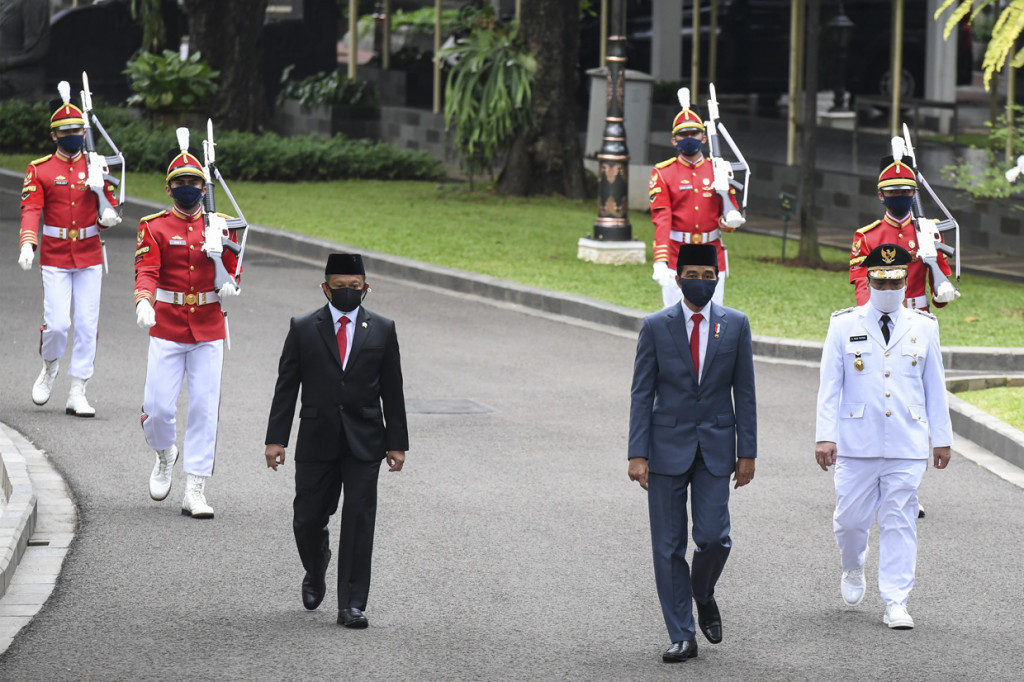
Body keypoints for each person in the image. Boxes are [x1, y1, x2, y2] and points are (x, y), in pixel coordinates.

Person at [628, 243, 757, 662]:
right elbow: (641, 393)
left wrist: (747, 452)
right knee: (667, 546)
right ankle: (682, 634)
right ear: (678, 277)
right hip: (665, 448)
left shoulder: (735, 325)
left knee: (713, 537)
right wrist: (637, 453)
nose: (700, 282)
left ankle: (702, 591)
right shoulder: (655, 326)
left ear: (717, 278)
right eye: (693, 275)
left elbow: (746, 393)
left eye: (708, 275)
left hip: (717, 448)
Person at [264, 253, 408, 629]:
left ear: (366, 289)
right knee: (306, 519)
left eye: (355, 288)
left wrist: (397, 443)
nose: (347, 293)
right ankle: (316, 566)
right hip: (316, 439)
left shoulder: (382, 329)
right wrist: (276, 439)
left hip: (365, 440)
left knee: (359, 520)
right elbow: (286, 387)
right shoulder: (302, 328)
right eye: (340, 287)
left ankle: (353, 605)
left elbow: (393, 390)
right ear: (325, 288)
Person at [815, 243, 952, 630]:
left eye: (896, 281)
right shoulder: (844, 324)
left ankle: (896, 600)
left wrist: (941, 438)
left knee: (899, 519)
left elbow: (934, 386)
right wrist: (825, 436)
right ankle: (853, 564)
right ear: (868, 280)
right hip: (856, 442)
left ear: (905, 280)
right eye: (881, 280)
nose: (889, 288)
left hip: (907, 441)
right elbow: (829, 386)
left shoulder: (924, 327)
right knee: (850, 522)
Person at [134, 143, 240, 518]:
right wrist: (144, 300)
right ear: (169, 188)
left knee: (204, 409)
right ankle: (165, 454)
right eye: (181, 182)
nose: (189, 188)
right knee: (159, 408)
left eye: (194, 182)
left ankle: (195, 487)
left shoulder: (221, 224)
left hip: (209, 327)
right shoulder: (155, 226)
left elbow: (233, 266)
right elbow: (146, 270)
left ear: (204, 186)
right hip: (167, 324)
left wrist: (230, 280)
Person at [18, 82, 120, 417]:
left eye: (78, 130)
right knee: (59, 323)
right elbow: (32, 208)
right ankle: (50, 366)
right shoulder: (41, 168)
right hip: (57, 254)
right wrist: (29, 243)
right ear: (54, 136)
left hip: (89, 253)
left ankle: (79, 389)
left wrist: (105, 206)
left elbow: (108, 213)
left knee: (88, 324)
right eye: (66, 131)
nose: (73, 135)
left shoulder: (97, 165)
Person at [648, 97, 744, 310]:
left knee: (712, 322)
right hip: (677, 254)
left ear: (704, 138)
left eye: (694, 133)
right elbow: (662, 219)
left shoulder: (718, 169)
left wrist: (731, 221)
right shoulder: (664, 173)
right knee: (674, 324)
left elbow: (726, 215)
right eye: (683, 134)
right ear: (674, 140)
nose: (689, 138)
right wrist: (660, 260)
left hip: (711, 254)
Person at [849, 155, 957, 313]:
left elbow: (938, 279)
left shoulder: (930, 231)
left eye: (906, 191)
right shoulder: (866, 237)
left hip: (918, 314)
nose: (900, 196)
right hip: (879, 314)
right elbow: (861, 283)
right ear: (881, 195)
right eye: (893, 192)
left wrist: (941, 293)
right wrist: (868, 313)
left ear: (914, 194)